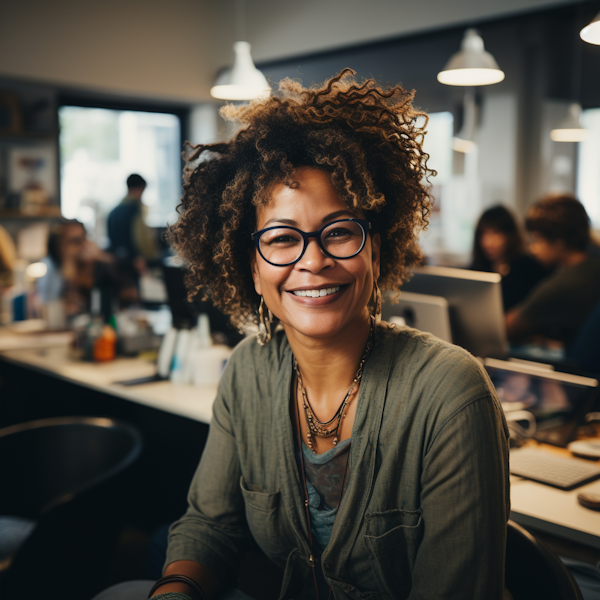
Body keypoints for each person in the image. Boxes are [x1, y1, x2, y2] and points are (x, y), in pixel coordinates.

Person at [95, 70, 509, 600]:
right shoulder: (248, 369)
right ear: (251, 265)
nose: (313, 261)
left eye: (339, 231)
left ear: (376, 251)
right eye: (283, 238)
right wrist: (174, 591)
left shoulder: (450, 392)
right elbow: (210, 525)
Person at [506, 194, 600, 349]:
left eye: (536, 240)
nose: (532, 249)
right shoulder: (594, 265)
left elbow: (506, 329)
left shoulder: (563, 285)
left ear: (559, 241)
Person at [470, 205, 548, 311]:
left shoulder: (528, 268)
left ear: (510, 235)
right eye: (483, 234)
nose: (488, 242)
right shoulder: (476, 270)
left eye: (496, 232)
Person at [107, 173, 159, 290]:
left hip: (117, 263)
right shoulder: (134, 210)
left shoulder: (113, 212)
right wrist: (146, 256)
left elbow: (111, 239)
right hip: (135, 263)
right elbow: (140, 239)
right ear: (139, 189)